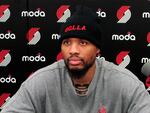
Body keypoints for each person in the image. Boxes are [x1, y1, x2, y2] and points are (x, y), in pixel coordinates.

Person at [1, 5, 150, 113]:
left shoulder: (125, 83)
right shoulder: (42, 81)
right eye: (67, 43)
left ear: (97, 49)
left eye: (83, 43)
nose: (73, 50)